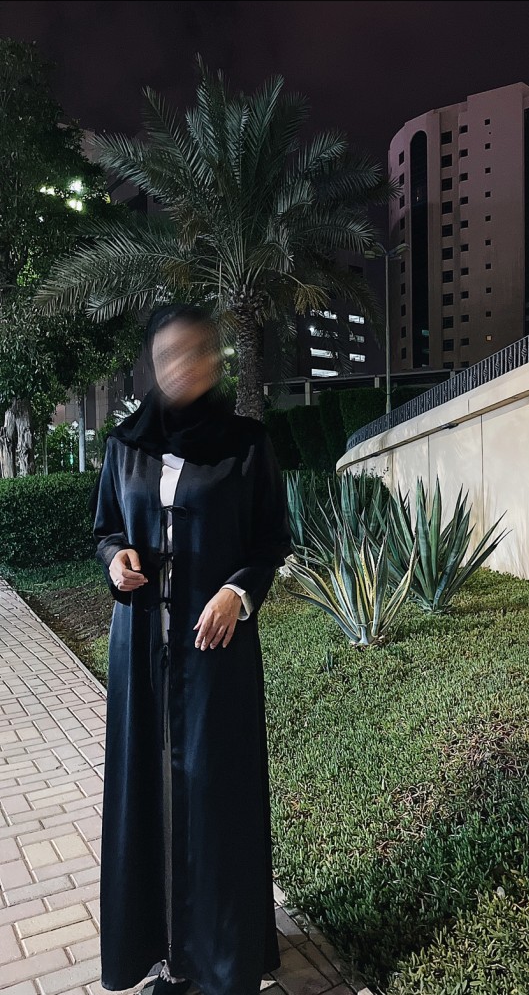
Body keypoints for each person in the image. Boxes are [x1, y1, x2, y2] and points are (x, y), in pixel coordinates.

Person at [91, 304, 293, 995]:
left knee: (216, 793)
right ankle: (161, 955)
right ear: (152, 365)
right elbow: (106, 530)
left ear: (215, 359)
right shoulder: (125, 445)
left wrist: (237, 591)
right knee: (146, 791)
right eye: (168, 356)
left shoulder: (246, 444)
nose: (182, 366)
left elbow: (271, 540)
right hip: (141, 648)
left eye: (195, 352)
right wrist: (116, 559)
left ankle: (222, 958)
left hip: (216, 652)